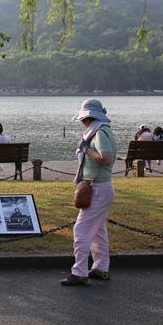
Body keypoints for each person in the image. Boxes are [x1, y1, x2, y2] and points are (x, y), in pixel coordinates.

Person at [62, 98, 117, 286]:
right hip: (99, 187)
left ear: (88, 118)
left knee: (81, 229)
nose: (81, 122)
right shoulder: (101, 130)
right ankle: (101, 268)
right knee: (98, 231)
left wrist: (86, 149)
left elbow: (106, 158)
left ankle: (79, 272)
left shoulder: (99, 133)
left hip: (97, 187)